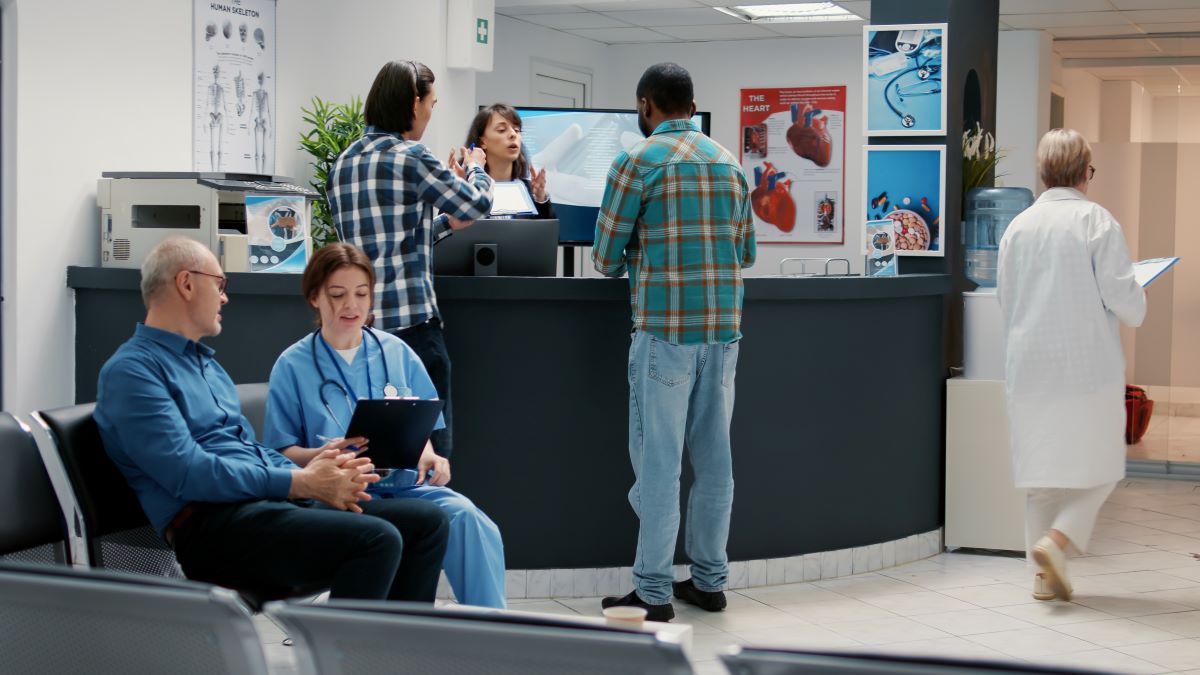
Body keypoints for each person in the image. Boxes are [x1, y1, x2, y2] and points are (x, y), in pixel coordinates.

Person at [94, 237, 450, 602]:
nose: (224, 297)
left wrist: (320, 465)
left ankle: (400, 653)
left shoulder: (206, 365)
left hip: (259, 509)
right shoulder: (133, 372)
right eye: (219, 284)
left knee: (426, 523)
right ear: (186, 283)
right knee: (377, 538)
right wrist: (301, 482)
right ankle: (343, 658)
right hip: (211, 526)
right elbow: (190, 473)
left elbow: (249, 451)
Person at [593, 63, 756, 622]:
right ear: (692, 103)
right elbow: (748, 253)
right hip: (723, 335)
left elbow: (604, 257)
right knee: (715, 462)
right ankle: (709, 581)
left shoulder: (635, 162)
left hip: (664, 332)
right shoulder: (730, 165)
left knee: (659, 463)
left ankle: (654, 591)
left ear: (646, 106)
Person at [262, 243, 507, 608]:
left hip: (405, 486)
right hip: (340, 492)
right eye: (338, 294)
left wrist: (431, 456)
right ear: (314, 297)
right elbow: (280, 452)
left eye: (361, 294)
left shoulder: (397, 352)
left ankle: (494, 634)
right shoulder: (293, 365)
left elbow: (420, 425)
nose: (352, 306)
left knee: (471, 521)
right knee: (408, 526)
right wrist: (323, 454)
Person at [997, 128, 1146, 602]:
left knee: (1042, 478)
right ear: (1085, 172)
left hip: (1029, 368)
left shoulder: (1017, 227)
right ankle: (1056, 543)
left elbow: (1007, 299)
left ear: (1043, 173)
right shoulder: (1096, 221)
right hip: (1086, 369)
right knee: (1102, 468)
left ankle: (1042, 580)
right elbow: (1127, 303)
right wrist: (1138, 290)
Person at [329, 60, 494, 460]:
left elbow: (386, 239)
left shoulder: (344, 163)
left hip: (361, 329)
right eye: (432, 105)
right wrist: (476, 170)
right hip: (413, 330)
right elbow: (478, 204)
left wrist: (443, 226)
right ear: (414, 103)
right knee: (431, 457)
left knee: (375, 456)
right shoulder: (411, 156)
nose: (430, 115)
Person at [465, 103, 553, 219]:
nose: (513, 134)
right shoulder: (467, 187)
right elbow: (445, 232)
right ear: (482, 142)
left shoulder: (528, 190)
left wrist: (540, 198)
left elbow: (549, 234)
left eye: (517, 130)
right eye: (502, 130)